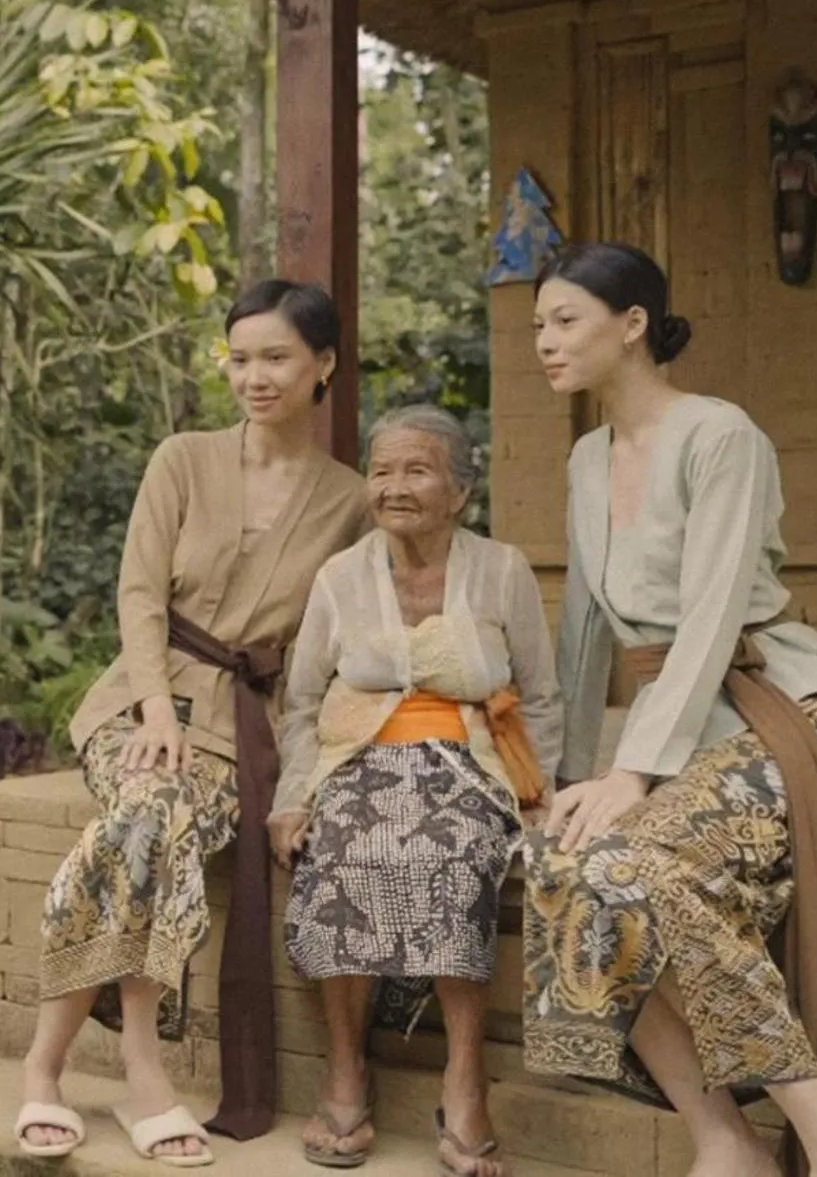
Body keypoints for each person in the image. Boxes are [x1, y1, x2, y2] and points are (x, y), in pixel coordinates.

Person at [522, 242, 817, 1177]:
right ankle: (723, 1135)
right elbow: (584, 635)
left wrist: (633, 770)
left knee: (639, 861)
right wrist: (569, 776)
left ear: (633, 322)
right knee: (569, 861)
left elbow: (716, 613)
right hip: (675, 737)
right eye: (536, 327)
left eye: (565, 321)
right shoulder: (586, 461)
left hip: (791, 715)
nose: (545, 344)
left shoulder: (722, 434)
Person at [14, 280, 371, 1167]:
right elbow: (138, 592)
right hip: (141, 702)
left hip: (247, 729)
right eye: (239, 357)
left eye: (276, 357)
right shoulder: (182, 457)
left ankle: (46, 1066)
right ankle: (140, 1064)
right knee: (148, 807)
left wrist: (310, 773)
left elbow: (333, 648)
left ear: (323, 364)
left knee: (148, 825)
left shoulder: (351, 501)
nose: (253, 376)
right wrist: (149, 706)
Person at [270, 405, 561, 1177]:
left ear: (460, 492)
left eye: (417, 470)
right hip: (355, 762)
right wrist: (293, 797)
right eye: (383, 470)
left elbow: (541, 694)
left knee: (455, 855)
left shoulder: (502, 570)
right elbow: (300, 704)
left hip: (471, 767)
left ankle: (465, 1079)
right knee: (335, 854)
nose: (395, 487)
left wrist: (542, 794)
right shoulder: (340, 576)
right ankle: (344, 1069)